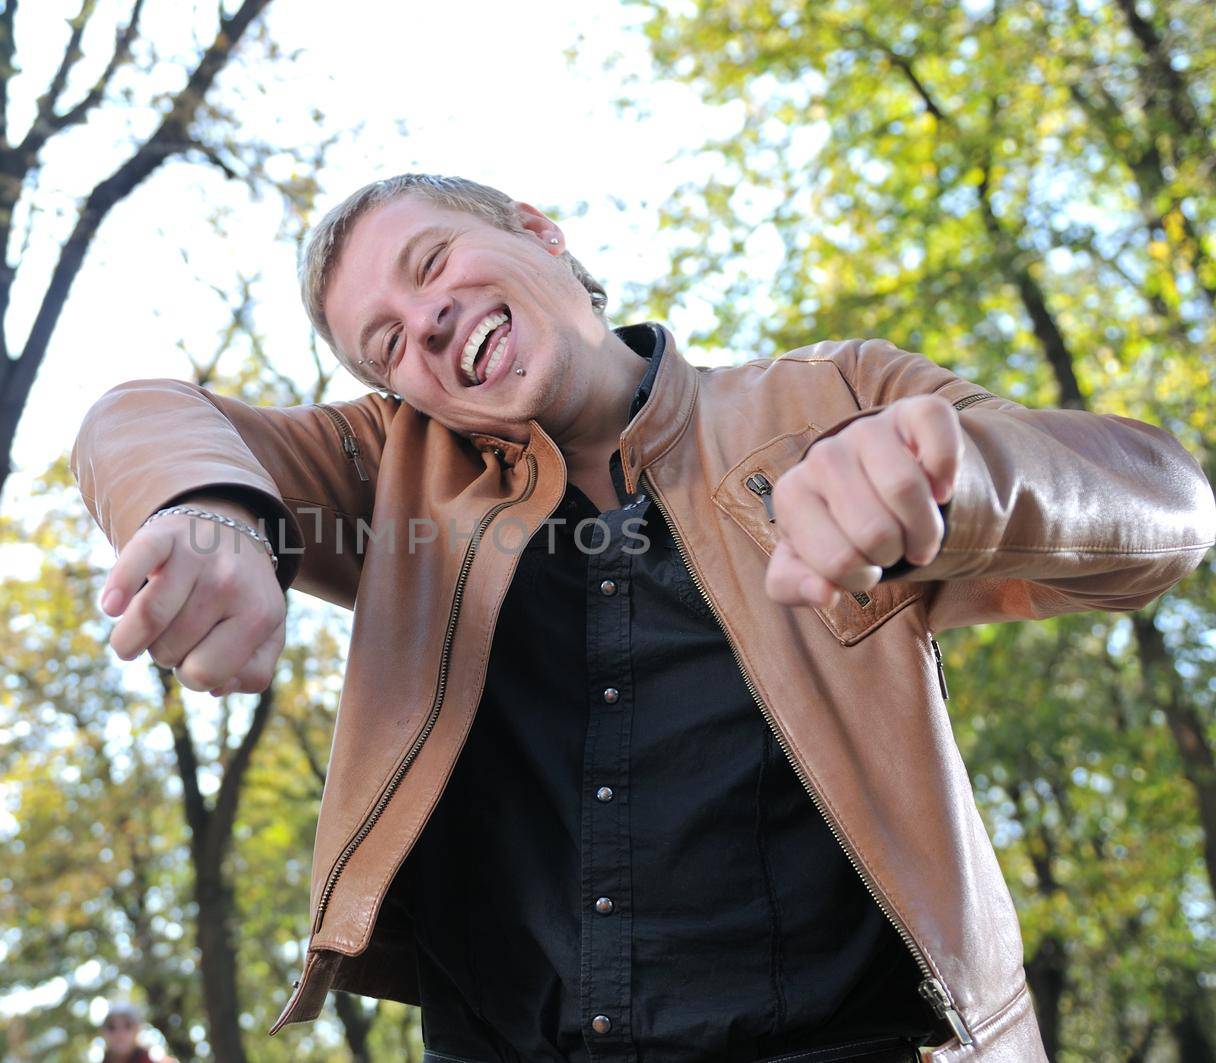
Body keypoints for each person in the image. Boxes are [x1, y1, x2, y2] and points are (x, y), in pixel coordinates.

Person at [71, 174, 1216, 1062]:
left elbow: (1164, 506)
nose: (421, 325)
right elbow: (142, 416)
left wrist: (954, 473)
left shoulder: (828, 401)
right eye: (384, 342)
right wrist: (211, 513)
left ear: (539, 230)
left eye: (431, 266)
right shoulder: (385, 472)